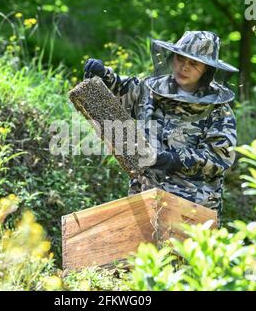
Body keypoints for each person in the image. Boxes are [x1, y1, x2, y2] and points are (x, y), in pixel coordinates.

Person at [84, 31, 238, 224]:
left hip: (193, 209)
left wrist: (173, 159)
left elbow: (220, 157)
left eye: (194, 63)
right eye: (180, 58)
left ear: (206, 69)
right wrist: (103, 74)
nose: (184, 67)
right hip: (145, 196)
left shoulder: (218, 111)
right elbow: (121, 89)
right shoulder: (150, 91)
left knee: (180, 255)